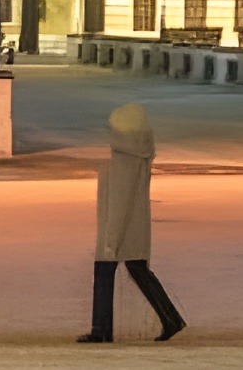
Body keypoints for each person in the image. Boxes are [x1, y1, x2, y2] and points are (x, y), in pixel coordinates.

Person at [77, 103, 186, 344]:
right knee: (139, 270)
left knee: (104, 273)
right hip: (136, 228)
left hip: (117, 230)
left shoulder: (123, 160)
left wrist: (110, 242)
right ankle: (171, 319)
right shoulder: (139, 155)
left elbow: (120, 202)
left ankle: (101, 330)